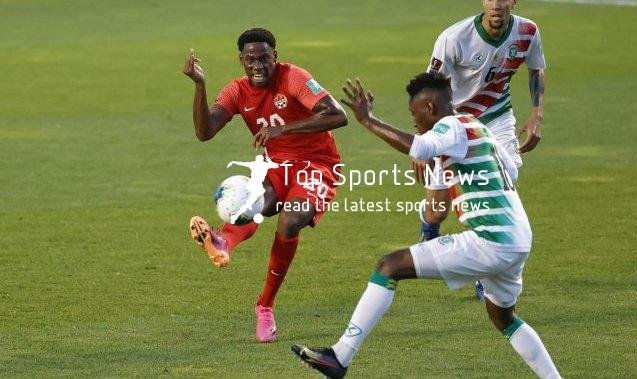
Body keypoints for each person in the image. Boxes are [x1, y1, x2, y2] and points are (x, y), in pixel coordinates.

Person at [291, 72, 560, 379]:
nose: (414, 122)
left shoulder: (450, 125)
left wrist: (367, 119)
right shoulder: (477, 128)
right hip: (519, 238)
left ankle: (340, 356)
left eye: (414, 115)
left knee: (389, 266)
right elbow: (466, 193)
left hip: (491, 239)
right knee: (504, 318)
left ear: (430, 109)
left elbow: (418, 147)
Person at [182, 28, 347, 342]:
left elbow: (337, 116)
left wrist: (283, 130)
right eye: (250, 60)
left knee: (291, 219)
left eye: (264, 59)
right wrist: (200, 85)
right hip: (277, 167)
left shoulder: (295, 77)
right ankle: (222, 243)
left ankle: (265, 306)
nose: (258, 66)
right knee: (251, 204)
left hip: (317, 165)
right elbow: (205, 132)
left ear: (275, 56)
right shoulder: (237, 91)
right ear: (241, 60)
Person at [419, 0, 547, 300]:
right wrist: (424, 141)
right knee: (438, 210)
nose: (497, 4)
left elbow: (536, 69)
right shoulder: (454, 38)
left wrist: (536, 115)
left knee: (497, 190)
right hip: (453, 122)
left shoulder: (527, 32)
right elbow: (430, 90)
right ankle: (428, 228)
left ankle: (486, 272)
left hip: (497, 121)